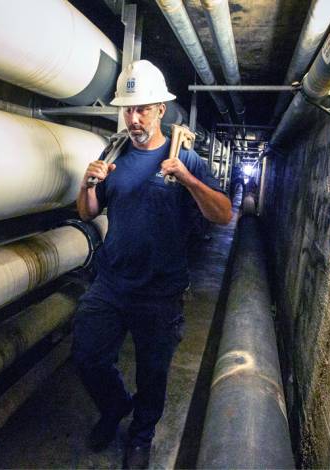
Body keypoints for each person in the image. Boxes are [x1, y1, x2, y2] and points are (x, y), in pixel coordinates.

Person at [74, 60, 231, 469]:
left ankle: (141, 436)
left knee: (154, 374)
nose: (134, 117)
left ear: (161, 109)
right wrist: (88, 184)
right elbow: (88, 212)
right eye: (128, 109)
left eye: (143, 108)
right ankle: (114, 408)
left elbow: (223, 214)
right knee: (88, 356)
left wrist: (190, 180)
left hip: (160, 291)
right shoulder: (114, 155)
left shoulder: (186, 158)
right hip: (111, 282)